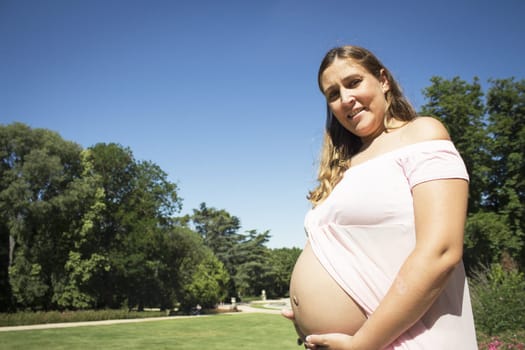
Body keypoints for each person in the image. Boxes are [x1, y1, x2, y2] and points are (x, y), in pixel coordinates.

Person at [282, 45, 478, 349]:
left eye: (353, 82)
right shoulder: (345, 168)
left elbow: (441, 251)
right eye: (332, 94)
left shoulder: (421, 134)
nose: (345, 98)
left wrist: (362, 344)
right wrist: (307, 312)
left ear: (383, 80)